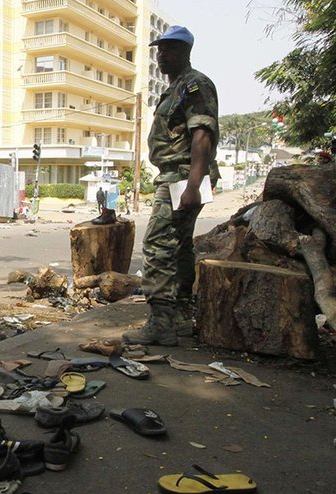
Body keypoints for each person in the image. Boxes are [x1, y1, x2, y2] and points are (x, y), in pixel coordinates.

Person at [123, 25, 219, 346]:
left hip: (182, 176)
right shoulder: (175, 88)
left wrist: (193, 184)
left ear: (185, 52)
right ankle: (179, 317)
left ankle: (161, 323)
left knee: (158, 245)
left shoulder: (194, 84)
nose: (161, 56)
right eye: (160, 50)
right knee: (179, 246)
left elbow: (202, 134)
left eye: (170, 49)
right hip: (177, 175)